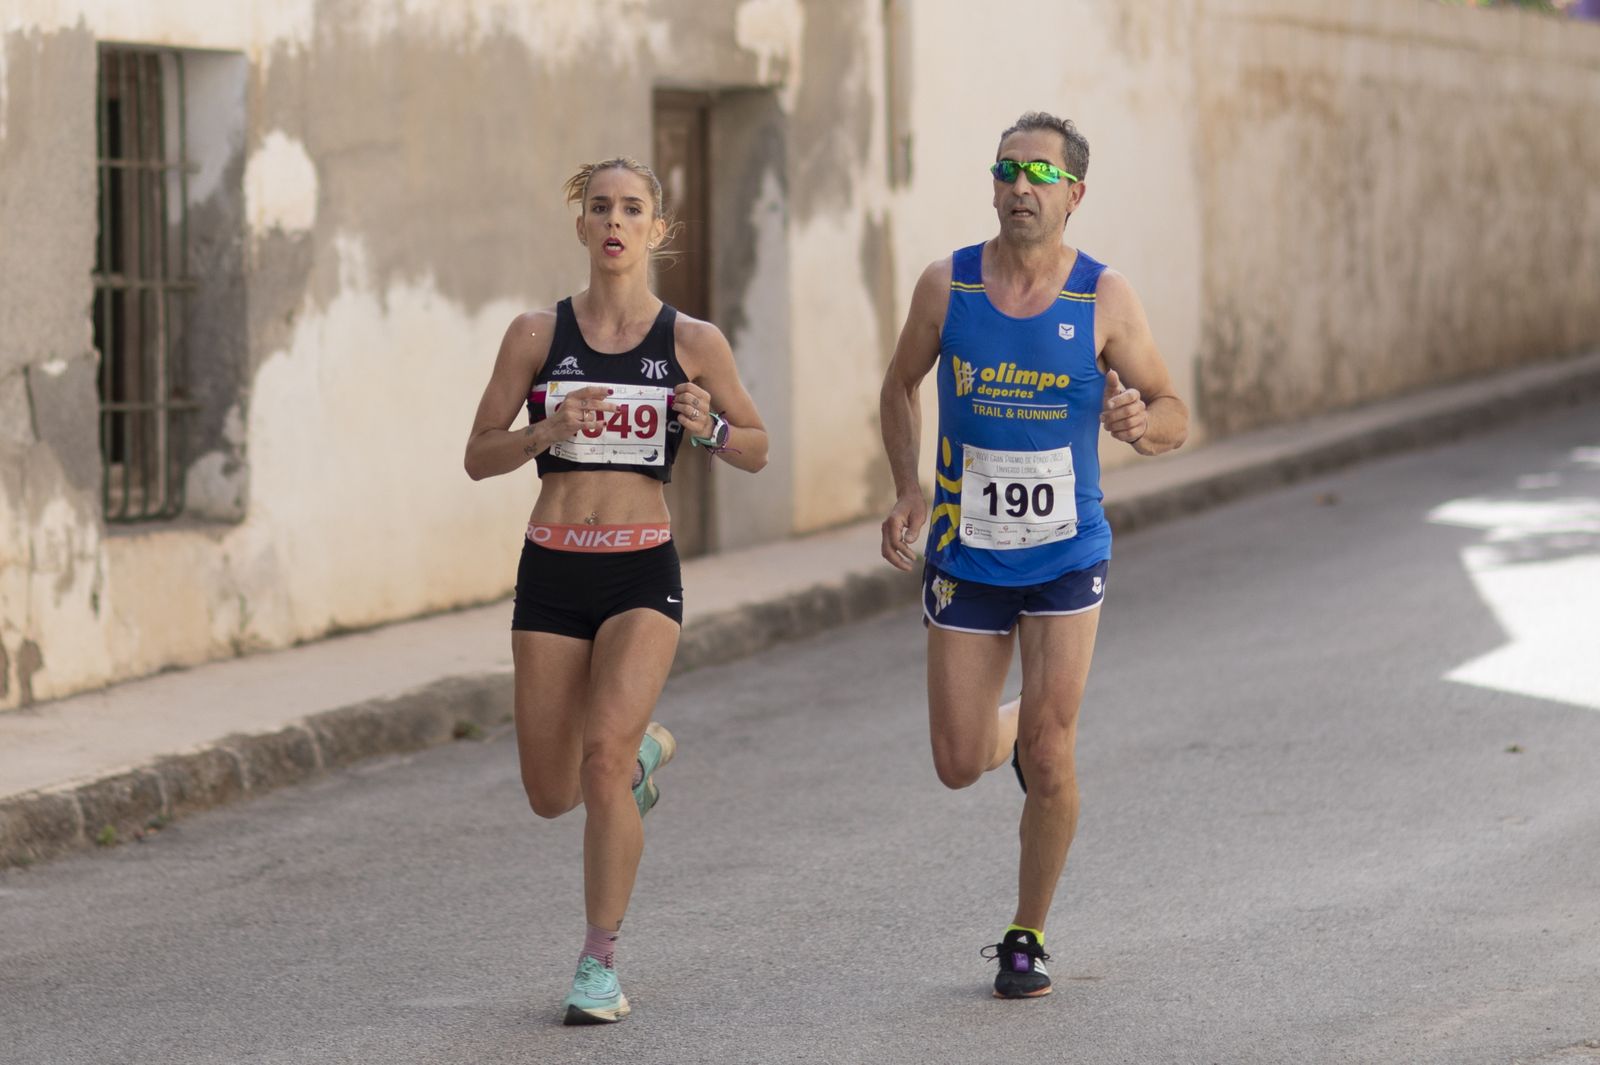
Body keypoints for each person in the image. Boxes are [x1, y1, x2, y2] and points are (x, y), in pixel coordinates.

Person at [878, 112, 1187, 999]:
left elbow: (1173, 407)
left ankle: (1026, 932)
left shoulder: (1104, 298)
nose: (1019, 186)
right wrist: (909, 488)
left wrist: (1141, 424)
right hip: (964, 553)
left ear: (1073, 195)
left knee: (1053, 753)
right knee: (958, 759)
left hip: (1066, 553)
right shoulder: (949, 285)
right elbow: (899, 385)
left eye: (1039, 175)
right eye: (1008, 170)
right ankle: (1007, 724)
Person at [464, 157, 768, 1024]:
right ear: (581, 225)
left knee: (597, 762)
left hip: (642, 569)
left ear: (656, 231)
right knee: (552, 791)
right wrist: (547, 429)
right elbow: (478, 453)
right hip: (553, 571)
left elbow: (757, 444)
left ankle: (598, 963)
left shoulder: (691, 341)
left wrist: (708, 430)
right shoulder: (534, 335)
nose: (615, 221)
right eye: (601, 207)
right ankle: (638, 760)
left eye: (633, 209)